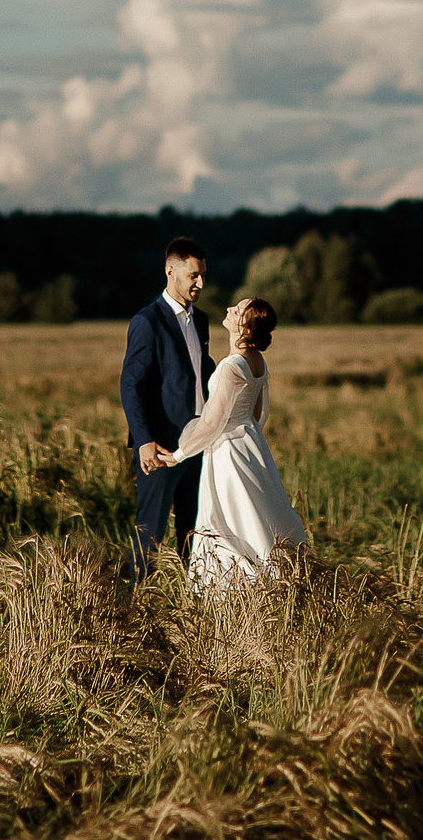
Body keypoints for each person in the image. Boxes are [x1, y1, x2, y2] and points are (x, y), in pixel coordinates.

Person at [167, 297, 309, 592]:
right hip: (250, 443)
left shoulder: (232, 365)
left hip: (228, 451)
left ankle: (237, 586)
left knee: (231, 516)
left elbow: (211, 422)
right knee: (255, 509)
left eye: (237, 310)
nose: (230, 309)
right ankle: (273, 576)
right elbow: (257, 414)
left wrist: (178, 454)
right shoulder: (257, 360)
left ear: (245, 326)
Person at [120, 237, 212, 577]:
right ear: (170, 271)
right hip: (160, 447)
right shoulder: (147, 321)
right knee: (150, 534)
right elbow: (131, 385)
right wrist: (144, 440)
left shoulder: (200, 320)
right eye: (193, 276)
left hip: (199, 444)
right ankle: (135, 602)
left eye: (202, 274)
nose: (200, 283)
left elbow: (200, 373)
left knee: (194, 532)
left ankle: (188, 604)